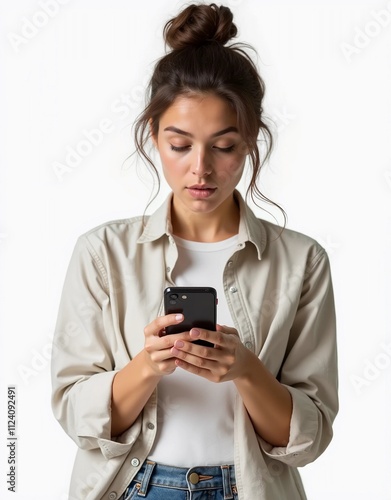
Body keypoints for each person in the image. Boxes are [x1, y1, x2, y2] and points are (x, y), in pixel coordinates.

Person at [51, 3, 338, 499]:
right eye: (180, 144)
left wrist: (245, 369)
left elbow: (307, 438)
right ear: (154, 138)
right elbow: (76, 413)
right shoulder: (102, 252)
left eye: (223, 146)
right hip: (134, 487)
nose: (200, 169)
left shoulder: (301, 261)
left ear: (250, 142)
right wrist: (147, 365)